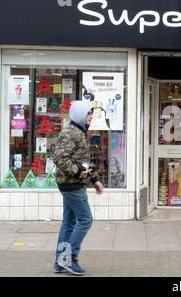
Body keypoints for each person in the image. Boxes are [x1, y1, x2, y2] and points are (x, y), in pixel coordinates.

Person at [52, 101, 104, 275]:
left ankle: (60, 262)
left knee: (68, 223)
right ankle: (70, 258)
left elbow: (83, 161)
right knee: (85, 220)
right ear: (80, 115)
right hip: (71, 185)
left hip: (72, 183)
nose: (91, 117)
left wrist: (94, 179)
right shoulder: (70, 133)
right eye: (88, 114)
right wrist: (77, 173)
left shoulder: (80, 132)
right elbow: (59, 158)